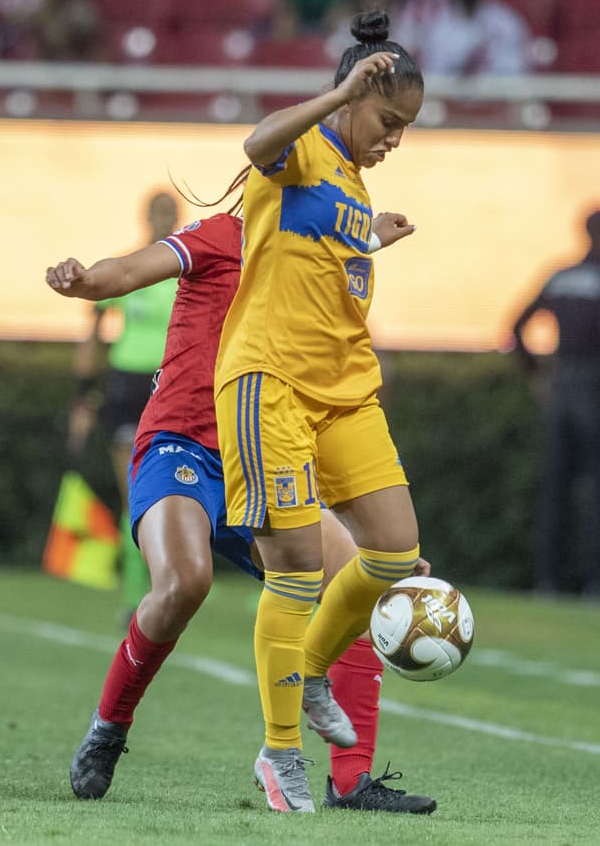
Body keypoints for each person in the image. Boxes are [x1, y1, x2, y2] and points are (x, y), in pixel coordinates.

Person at [49, 184, 435, 814]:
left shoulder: (316, 254)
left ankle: (351, 780)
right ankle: (110, 727)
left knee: (356, 588)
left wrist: (369, 240)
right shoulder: (222, 237)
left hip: (259, 451)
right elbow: (124, 272)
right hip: (182, 443)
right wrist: (83, 278)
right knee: (184, 583)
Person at [212, 11, 428, 812]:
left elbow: (321, 255)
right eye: (387, 121)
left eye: (404, 128)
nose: (393, 139)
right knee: (296, 567)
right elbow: (256, 144)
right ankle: (279, 755)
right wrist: (336, 92)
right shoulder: (304, 145)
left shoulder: (351, 183)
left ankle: (304, 672)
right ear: (352, 97)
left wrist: (369, 233)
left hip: (346, 389)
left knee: (394, 555)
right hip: (271, 382)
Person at [511, 209, 600, 597]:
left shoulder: (560, 276)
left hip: (562, 389)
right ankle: (599, 583)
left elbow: (516, 327)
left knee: (556, 490)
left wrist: (538, 375)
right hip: (598, 394)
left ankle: (547, 580)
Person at [69, 191, 179, 619]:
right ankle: (135, 596)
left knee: (172, 495)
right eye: (158, 213)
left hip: (172, 388)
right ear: (146, 216)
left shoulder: (184, 269)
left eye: (170, 214)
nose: (163, 221)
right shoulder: (128, 267)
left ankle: (166, 586)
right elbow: (93, 333)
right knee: (136, 494)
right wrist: (83, 394)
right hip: (127, 390)